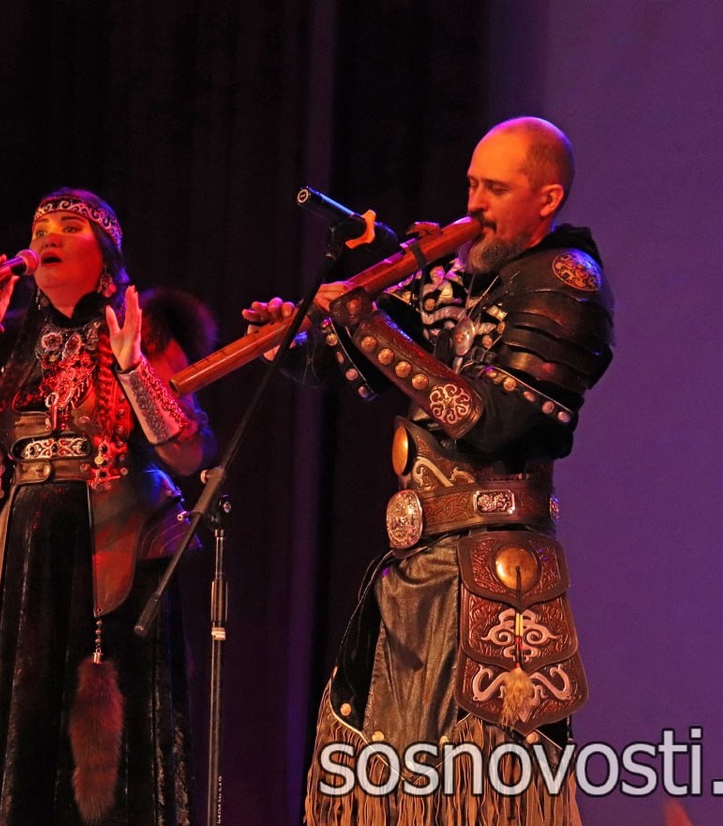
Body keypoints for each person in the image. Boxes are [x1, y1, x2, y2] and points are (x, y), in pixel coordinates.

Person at [244, 117, 613, 823]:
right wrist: (290, 344)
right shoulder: (464, 275)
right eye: (471, 184)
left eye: (495, 189)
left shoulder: (565, 284)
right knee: (390, 773)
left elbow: (490, 418)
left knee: (481, 785)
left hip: (493, 567)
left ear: (547, 198)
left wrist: (368, 324)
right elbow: (357, 362)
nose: (473, 204)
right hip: (419, 562)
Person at [0, 189, 215, 825]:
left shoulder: (138, 326)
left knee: (104, 707)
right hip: (29, 543)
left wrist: (133, 368)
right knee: (25, 703)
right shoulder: (10, 341)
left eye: (69, 226)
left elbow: (188, 452)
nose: (48, 237)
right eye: (40, 228)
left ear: (106, 254)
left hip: (110, 544)